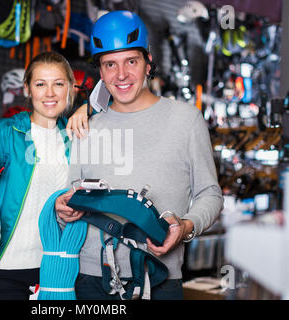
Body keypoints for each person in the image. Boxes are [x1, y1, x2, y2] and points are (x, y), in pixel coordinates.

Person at [55, 10, 224, 300]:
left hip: (159, 278)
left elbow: (211, 194)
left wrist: (185, 228)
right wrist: (62, 210)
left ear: (148, 62)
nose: (121, 75)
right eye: (110, 64)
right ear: (101, 71)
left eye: (131, 61)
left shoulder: (186, 120)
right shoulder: (85, 126)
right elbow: (70, 197)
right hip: (90, 281)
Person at [0, 51, 90, 300]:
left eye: (58, 84)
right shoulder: (3, 132)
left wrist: (87, 108)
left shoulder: (76, 136)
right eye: (40, 84)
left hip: (58, 266)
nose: (50, 93)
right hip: (6, 267)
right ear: (27, 88)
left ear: (70, 88)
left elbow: (121, 99)